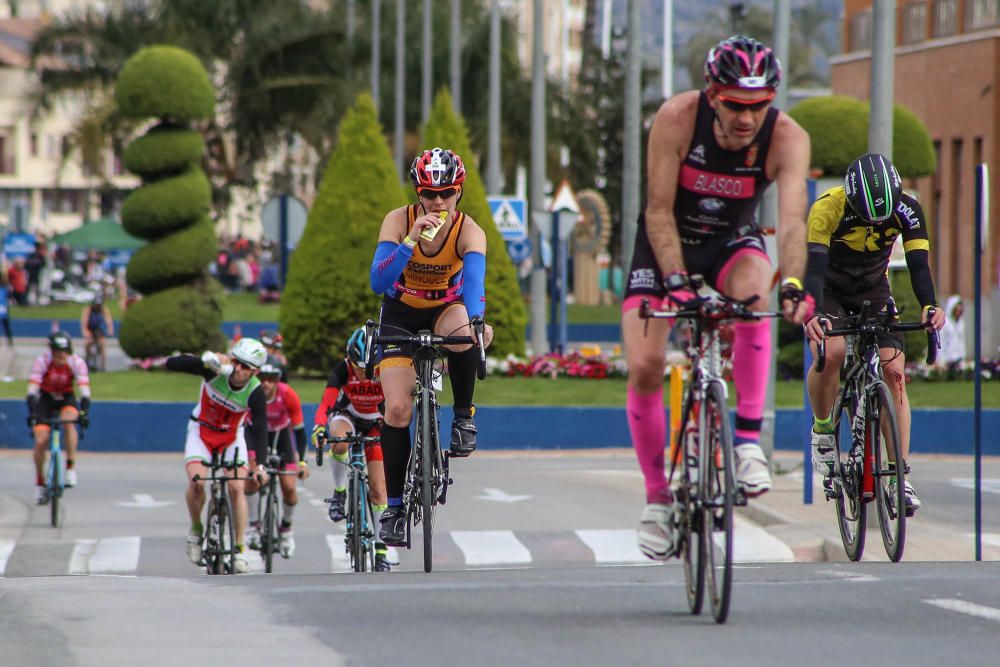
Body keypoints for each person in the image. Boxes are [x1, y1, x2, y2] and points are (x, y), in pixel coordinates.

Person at [622, 35, 816, 561]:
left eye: (759, 105)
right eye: (735, 105)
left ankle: (747, 441)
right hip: (666, 245)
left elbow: (794, 222)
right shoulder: (678, 118)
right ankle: (658, 500)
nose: (748, 118)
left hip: (732, 241)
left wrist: (796, 283)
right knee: (643, 364)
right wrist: (679, 285)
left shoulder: (788, 138)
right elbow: (658, 210)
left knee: (757, 286)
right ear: (712, 95)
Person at [805, 153, 945, 515]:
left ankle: (899, 475)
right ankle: (823, 430)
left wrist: (930, 306)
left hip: (873, 289)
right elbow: (814, 269)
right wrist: (814, 314)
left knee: (895, 371)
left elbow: (918, 266)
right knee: (831, 353)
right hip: (829, 290)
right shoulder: (827, 207)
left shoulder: (908, 208)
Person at [368, 147, 494, 546]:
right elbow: (378, 282)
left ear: (459, 193)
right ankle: (394, 508)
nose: (437, 202)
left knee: (463, 332)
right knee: (398, 409)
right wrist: (408, 242)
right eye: (429, 193)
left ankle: (463, 416)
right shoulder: (397, 221)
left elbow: (473, 288)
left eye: (446, 194)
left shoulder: (469, 231)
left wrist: (477, 323)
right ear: (418, 192)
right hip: (401, 312)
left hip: (444, 308)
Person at [166, 338, 270, 574]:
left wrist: (261, 466)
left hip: (231, 437)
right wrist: (205, 359)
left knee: (235, 487)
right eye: (236, 362)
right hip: (201, 432)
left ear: (255, 371)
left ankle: (240, 548)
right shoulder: (214, 373)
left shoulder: (255, 391)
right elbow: (172, 363)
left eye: (245, 367)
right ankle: (196, 530)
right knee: (197, 483)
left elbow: (261, 428)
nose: (238, 369)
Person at [311, 327, 392, 572]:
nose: (365, 374)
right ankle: (339, 492)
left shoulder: (387, 369)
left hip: (376, 424)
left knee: (379, 489)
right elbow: (326, 402)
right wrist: (318, 427)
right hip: (347, 416)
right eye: (359, 367)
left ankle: (380, 552)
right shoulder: (342, 370)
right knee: (339, 440)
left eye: (370, 368)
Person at [244, 357, 308, 559]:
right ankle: (254, 526)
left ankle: (286, 529)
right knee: (253, 478)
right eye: (262, 377)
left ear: (278, 379)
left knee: (289, 487)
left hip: (281, 439)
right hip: (255, 437)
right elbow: (245, 428)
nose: (266, 383)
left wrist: (302, 463)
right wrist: (252, 461)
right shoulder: (250, 392)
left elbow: (299, 432)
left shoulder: (288, 394)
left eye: (271, 378)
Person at [26, 331, 90, 502]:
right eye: (57, 351)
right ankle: (40, 483)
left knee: (69, 422)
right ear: (51, 351)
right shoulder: (42, 362)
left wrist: (84, 413)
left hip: (66, 398)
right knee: (40, 440)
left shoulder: (76, 362)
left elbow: (84, 393)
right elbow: (32, 392)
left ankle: (70, 467)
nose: (61, 355)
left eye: (64, 351)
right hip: (46, 399)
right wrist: (33, 414)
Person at [80, 294, 114, 371]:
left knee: (102, 344)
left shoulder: (103, 309)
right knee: (88, 343)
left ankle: (103, 367)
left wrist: (110, 330)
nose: (97, 307)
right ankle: (87, 362)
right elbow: (84, 323)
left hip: (99, 329)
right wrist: (85, 332)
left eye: (99, 305)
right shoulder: (88, 310)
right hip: (90, 329)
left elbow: (108, 321)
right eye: (96, 305)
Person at [939, 295, 966, 371]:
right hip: (948, 359)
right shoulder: (945, 322)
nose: (958, 312)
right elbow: (941, 341)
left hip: (959, 358)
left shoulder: (961, 322)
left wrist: (963, 356)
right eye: (957, 309)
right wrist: (941, 360)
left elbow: (962, 341)